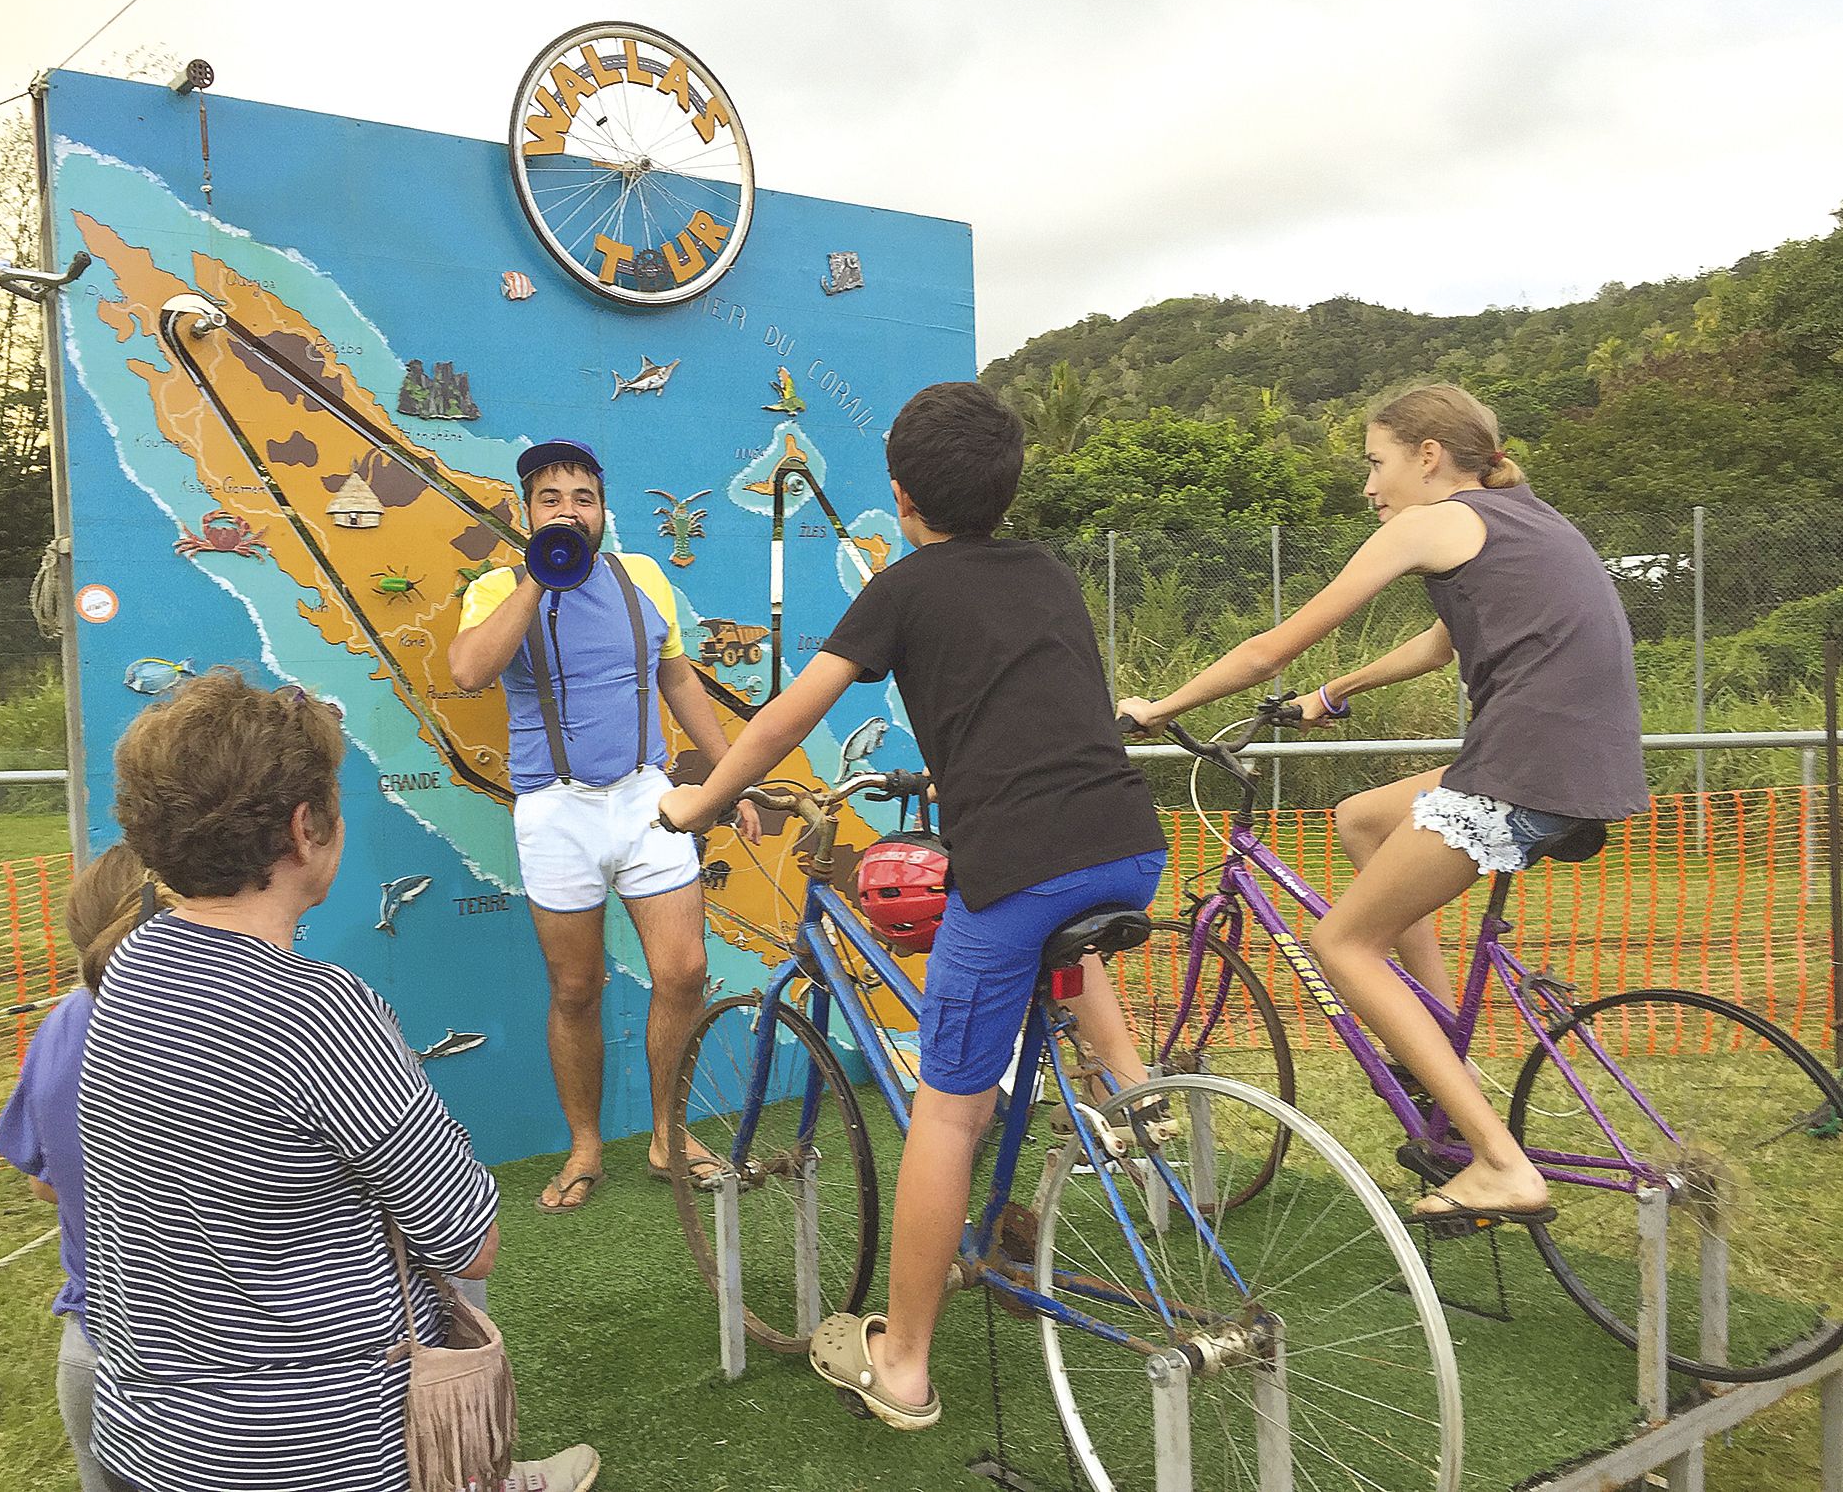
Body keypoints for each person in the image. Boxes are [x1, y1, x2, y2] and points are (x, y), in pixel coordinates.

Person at [658, 382, 1168, 1429]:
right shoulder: (1046, 573)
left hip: (1021, 865)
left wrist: (698, 801)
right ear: (1007, 484)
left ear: (898, 493)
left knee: (948, 1104)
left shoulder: (900, 588)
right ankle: (1122, 1100)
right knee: (1038, 956)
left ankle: (902, 1369)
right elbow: (1031, 707)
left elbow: (774, 725)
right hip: (1127, 846)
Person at [1119, 383, 1648, 1230]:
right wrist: (1335, 691)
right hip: (1580, 763)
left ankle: (1502, 1166)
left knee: (1340, 940)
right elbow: (1442, 644)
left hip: (1525, 766)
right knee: (1363, 816)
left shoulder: (1428, 522)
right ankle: (1443, 1048)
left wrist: (1159, 708)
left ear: (1427, 454)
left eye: (1375, 462)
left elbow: (1266, 651)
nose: (1369, 487)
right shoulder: (1525, 516)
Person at [78, 671, 597, 1492]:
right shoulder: (320, 1011)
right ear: (304, 827)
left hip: (152, 1438)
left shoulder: (132, 962)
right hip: (319, 1448)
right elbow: (470, 1237)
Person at [449, 440, 760, 1215]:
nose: (568, 510)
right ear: (526, 511)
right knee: (577, 987)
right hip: (555, 809)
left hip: (645, 797)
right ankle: (586, 1146)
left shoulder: (642, 577)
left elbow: (678, 677)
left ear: (602, 508)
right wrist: (537, 576)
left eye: (582, 497)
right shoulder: (495, 587)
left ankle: (668, 1133)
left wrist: (729, 779)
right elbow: (467, 671)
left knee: (684, 971)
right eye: (550, 498)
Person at [0, 842, 174, 1492]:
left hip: (94, 1347)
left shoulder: (61, 1023)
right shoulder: (228, 1020)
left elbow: (42, 1180)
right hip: (211, 1371)